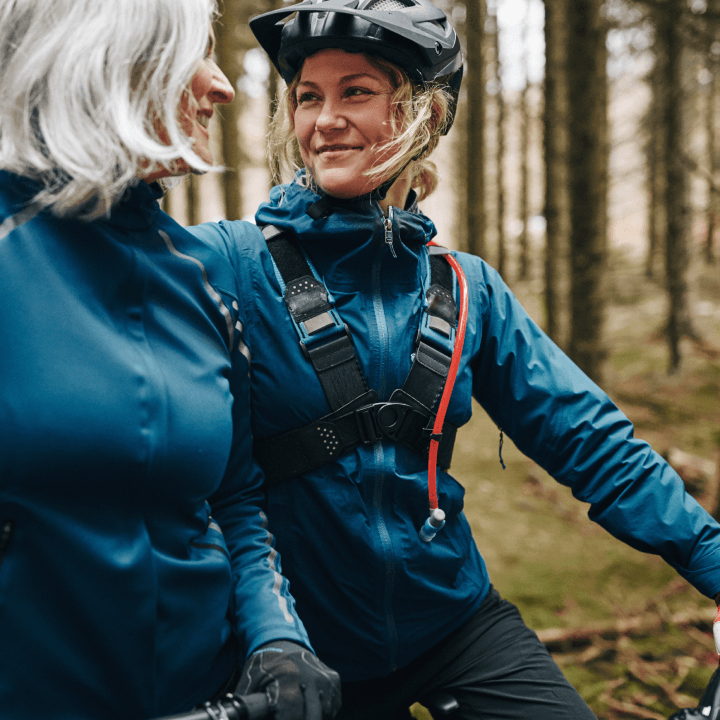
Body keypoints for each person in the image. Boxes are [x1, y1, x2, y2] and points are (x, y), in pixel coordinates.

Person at [188, 0, 720, 718]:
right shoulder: (226, 263)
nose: (324, 120)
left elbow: (592, 442)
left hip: (454, 625)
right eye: (307, 97)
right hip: (292, 647)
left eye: (357, 92)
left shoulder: (467, 288)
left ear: (424, 116)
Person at [0, 1, 341, 719]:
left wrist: (276, 637)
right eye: (195, 55)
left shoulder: (198, 274)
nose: (220, 87)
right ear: (102, 59)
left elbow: (234, 496)